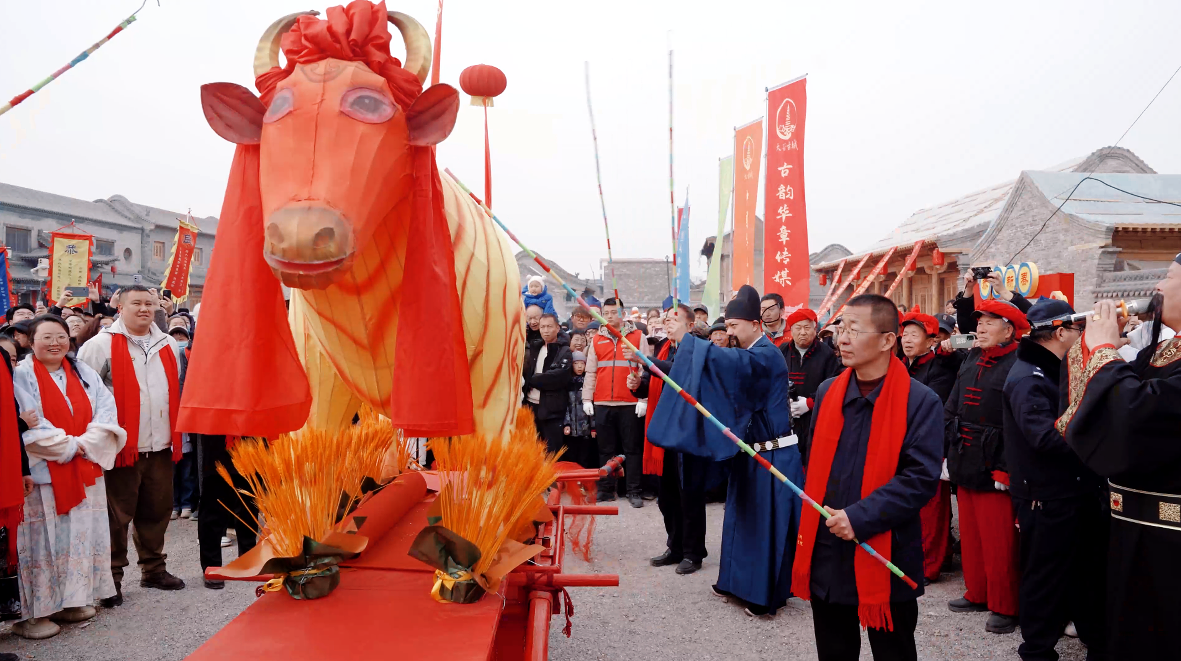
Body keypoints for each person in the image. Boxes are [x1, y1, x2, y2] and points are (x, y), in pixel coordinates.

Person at [792, 294, 942, 660]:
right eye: (841, 328)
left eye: (854, 330)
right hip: (828, 548)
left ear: (888, 340)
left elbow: (920, 479)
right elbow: (815, 465)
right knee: (834, 650)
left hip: (885, 549)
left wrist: (859, 517)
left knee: (893, 650)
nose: (842, 338)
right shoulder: (829, 391)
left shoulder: (919, 401)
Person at [649, 285, 803, 617]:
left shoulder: (766, 354)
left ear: (755, 325)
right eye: (727, 326)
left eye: (734, 326)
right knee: (741, 519)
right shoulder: (749, 353)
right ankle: (734, 582)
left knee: (765, 526)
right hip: (751, 452)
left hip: (774, 454)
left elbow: (727, 363)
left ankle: (765, 596)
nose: (728, 332)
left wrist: (687, 340)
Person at [1056, 258, 1181, 660]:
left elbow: (1136, 415)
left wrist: (1106, 349)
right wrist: (1092, 349)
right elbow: (1091, 407)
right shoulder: (1161, 350)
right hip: (1128, 527)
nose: (1158, 286)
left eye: (1169, 276)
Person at [1003, 298, 1106, 661]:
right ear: (1060, 332)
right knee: (1045, 580)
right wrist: (1098, 433)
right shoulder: (1028, 377)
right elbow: (1044, 437)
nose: (1081, 336)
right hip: (1047, 497)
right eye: (1078, 330)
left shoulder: (1054, 368)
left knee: (1087, 575)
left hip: (1075, 492)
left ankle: (1098, 640)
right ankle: (1037, 651)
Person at [12, 315, 125, 639]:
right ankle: (35, 614)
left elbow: (107, 413)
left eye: (60, 337)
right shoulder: (22, 375)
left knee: (80, 539)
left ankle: (73, 601)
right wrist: (72, 445)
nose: (55, 343)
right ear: (30, 342)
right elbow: (29, 426)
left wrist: (82, 444)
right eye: (46, 337)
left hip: (83, 468)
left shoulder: (83, 372)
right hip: (44, 476)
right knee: (42, 545)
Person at [77, 285, 186, 606]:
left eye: (149, 304)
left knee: (157, 511)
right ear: (119, 306)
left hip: (162, 445)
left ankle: (153, 569)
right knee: (115, 516)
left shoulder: (168, 343)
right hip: (120, 448)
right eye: (136, 303)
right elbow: (85, 398)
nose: (144, 309)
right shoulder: (100, 345)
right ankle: (111, 578)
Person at [944, 295, 1028, 634]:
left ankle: (1005, 605)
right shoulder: (972, 356)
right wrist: (947, 449)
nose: (980, 328)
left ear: (1008, 329)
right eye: (979, 323)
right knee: (973, 535)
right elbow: (953, 403)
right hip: (965, 453)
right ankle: (976, 591)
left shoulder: (1018, 363)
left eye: (989, 323)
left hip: (996, 458)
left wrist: (1007, 468)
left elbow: (1017, 423)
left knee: (999, 540)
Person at [631, 305, 709, 575]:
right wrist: (638, 385)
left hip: (689, 431)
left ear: (690, 324)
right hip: (666, 430)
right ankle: (674, 546)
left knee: (690, 495)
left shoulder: (698, 348)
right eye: (665, 319)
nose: (668, 323)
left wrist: (648, 362)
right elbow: (654, 382)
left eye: (674, 319)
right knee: (668, 496)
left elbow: (678, 373)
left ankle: (693, 552)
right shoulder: (664, 348)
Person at [898, 310, 959, 586]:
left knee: (932, 508)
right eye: (905, 334)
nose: (907, 340)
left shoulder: (940, 366)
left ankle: (929, 566)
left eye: (915, 335)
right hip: (904, 443)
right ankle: (926, 558)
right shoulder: (900, 364)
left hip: (930, 444)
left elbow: (938, 408)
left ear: (931, 340)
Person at [583, 298, 649, 506]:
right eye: (606, 312)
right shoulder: (596, 340)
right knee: (605, 449)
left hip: (629, 402)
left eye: (614, 312)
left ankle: (634, 490)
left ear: (623, 313)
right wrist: (587, 398)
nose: (610, 316)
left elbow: (646, 369)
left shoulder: (638, 336)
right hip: (603, 402)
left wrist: (643, 398)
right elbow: (591, 372)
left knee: (632, 449)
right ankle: (606, 489)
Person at [779, 308, 841, 466]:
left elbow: (833, 385)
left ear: (815, 329)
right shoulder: (781, 352)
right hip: (786, 421)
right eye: (798, 328)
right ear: (791, 330)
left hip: (815, 419)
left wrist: (810, 403)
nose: (802, 332)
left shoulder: (827, 354)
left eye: (807, 327)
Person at [522, 313, 573, 455]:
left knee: (552, 453)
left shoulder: (564, 350)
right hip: (531, 405)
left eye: (549, 326)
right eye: (542, 327)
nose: (545, 330)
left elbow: (557, 378)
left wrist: (533, 380)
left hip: (552, 409)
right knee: (532, 451)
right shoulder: (534, 348)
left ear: (557, 328)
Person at [562, 351, 597, 469]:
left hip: (585, 429)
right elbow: (565, 405)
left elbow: (592, 406)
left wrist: (593, 427)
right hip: (571, 428)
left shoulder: (589, 383)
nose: (580, 366)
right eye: (576, 363)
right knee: (571, 457)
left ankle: (585, 484)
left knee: (585, 457)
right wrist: (566, 424)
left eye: (582, 363)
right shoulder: (567, 383)